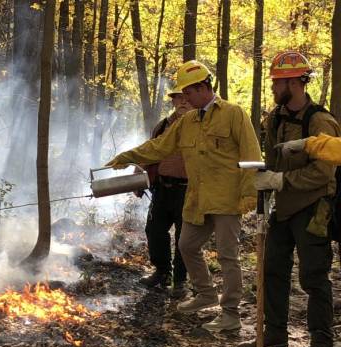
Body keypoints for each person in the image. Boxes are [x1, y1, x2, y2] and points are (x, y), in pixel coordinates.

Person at [106, 60, 262, 332]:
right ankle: (205, 294)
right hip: (198, 199)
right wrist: (127, 156)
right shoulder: (187, 121)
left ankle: (231, 313)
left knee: (227, 256)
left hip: (227, 199)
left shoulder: (234, 114)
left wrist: (249, 194)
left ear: (203, 87)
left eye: (188, 92)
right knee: (187, 245)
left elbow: (252, 156)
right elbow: (159, 147)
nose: (184, 98)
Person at [239, 51, 341, 347]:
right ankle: (274, 336)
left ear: (296, 82)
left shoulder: (320, 121)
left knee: (313, 276)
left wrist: (281, 180)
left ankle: (321, 345)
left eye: (278, 82)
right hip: (282, 210)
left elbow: (324, 173)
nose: (272, 87)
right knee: (271, 270)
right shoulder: (275, 118)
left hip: (314, 209)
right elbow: (272, 162)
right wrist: (264, 181)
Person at [139, 87, 192, 299]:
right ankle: (162, 272)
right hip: (162, 188)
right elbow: (150, 151)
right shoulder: (162, 127)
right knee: (154, 230)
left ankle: (180, 281)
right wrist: (139, 176)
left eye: (186, 97)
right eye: (178, 97)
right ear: (173, 101)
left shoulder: (201, 126)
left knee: (184, 239)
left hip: (189, 191)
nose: (183, 101)